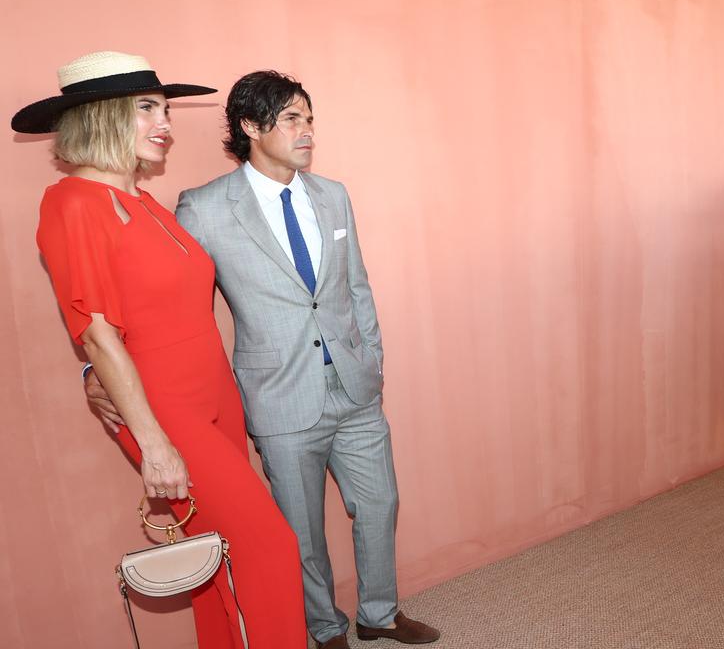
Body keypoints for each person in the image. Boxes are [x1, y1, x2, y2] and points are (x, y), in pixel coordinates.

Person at [90, 71, 439, 648]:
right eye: (292, 120)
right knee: (299, 530)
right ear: (251, 127)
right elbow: (163, 300)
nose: (307, 133)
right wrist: (96, 367)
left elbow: (357, 289)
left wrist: (372, 362)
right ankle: (325, 628)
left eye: (310, 120)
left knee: (380, 504)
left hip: (354, 387)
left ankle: (380, 613)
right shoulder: (203, 209)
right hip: (278, 394)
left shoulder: (333, 195)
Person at [16, 51, 307, 648]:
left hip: (216, 397)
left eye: (165, 108)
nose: (165, 124)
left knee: (218, 558)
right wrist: (153, 443)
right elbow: (97, 331)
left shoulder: (147, 203)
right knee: (267, 546)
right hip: (166, 413)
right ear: (100, 117)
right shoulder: (72, 203)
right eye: (147, 108)